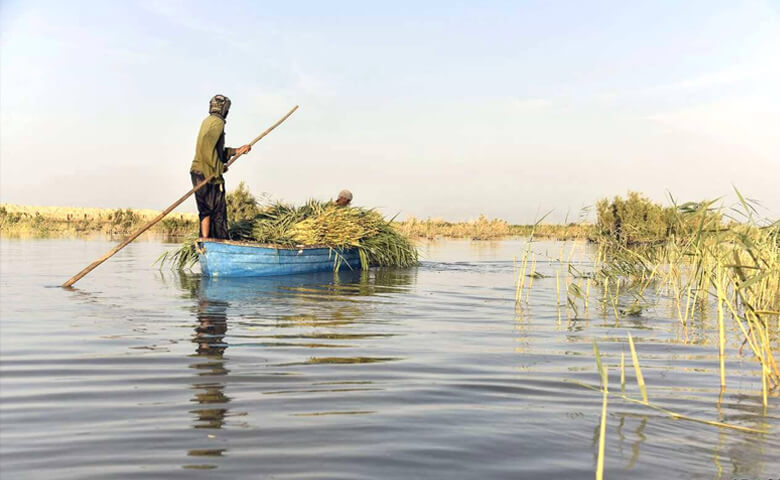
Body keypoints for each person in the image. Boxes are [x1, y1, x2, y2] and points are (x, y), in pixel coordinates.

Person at [190, 94, 251, 239]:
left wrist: (236, 151)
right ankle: (216, 242)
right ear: (225, 109)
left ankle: (205, 242)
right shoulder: (218, 123)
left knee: (205, 210)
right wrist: (217, 168)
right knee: (218, 213)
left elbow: (216, 151)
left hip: (197, 171)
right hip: (208, 174)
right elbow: (206, 146)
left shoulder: (207, 121)